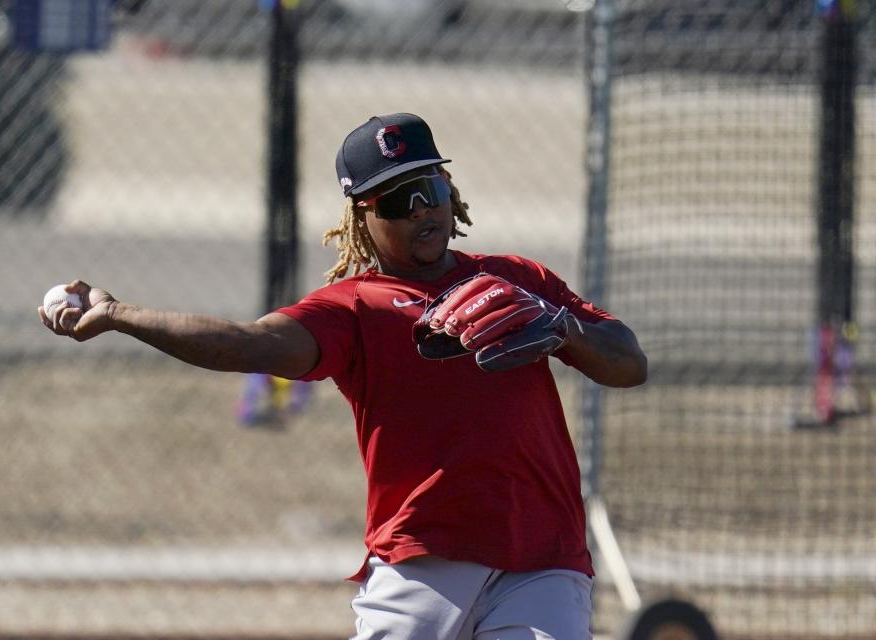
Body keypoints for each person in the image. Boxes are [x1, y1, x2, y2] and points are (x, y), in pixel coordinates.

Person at [39, 113, 647, 639]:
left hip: (543, 560)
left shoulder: (517, 278)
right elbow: (248, 346)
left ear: (450, 188)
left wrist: (563, 326)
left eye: (430, 187)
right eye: (397, 201)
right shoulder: (354, 308)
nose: (423, 210)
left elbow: (629, 363)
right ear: (363, 215)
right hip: (422, 562)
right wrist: (120, 315)